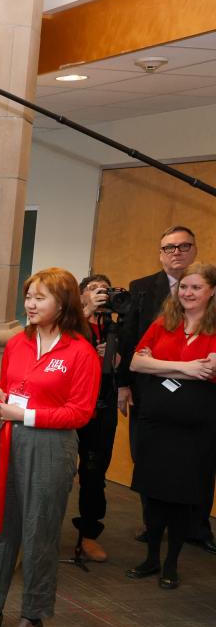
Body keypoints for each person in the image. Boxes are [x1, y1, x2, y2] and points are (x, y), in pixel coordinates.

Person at [0, 269, 99, 627]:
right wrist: (1, 398)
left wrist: (25, 414)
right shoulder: (17, 344)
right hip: (10, 439)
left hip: (51, 446)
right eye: (28, 296)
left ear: (62, 304)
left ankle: (33, 615)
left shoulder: (81, 351)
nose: (29, 303)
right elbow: (12, 389)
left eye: (39, 297)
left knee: (39, 530)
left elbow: (81, 412)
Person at [117, 226, 215, 552]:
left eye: (184, 246)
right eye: (169, 247)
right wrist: (125, 385)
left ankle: (197, 529)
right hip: (151, 400)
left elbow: (210, 369)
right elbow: (133, 350)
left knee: (198, 470)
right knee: (150, 465)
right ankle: (153, 527)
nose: (176, 252)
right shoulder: (144, 290)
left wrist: (159, 365)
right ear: (160, 253)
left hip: (199, 412)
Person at [68, 274, 121, 563]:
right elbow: (61, 346)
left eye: (105, 289)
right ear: (80, 295)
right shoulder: (71, 321)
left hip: (102, 406)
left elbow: (131, 363)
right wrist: (85, 314)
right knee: (60, 471)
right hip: (71, 405)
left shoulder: (116, 324)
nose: (100, 293)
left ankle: (88, 534)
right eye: (93, 289)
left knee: (94, 474)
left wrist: (116, 360)